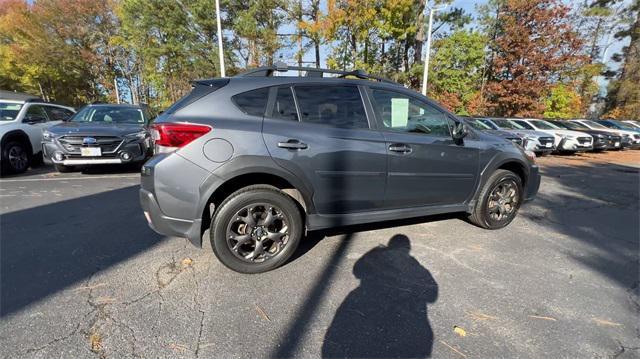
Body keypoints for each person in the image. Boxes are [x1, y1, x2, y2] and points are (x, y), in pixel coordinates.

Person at [322, 234, 439, 358]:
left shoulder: (378, 255)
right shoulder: (414, 264)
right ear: (406, 248)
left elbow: (357, 270)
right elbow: (432, 295)